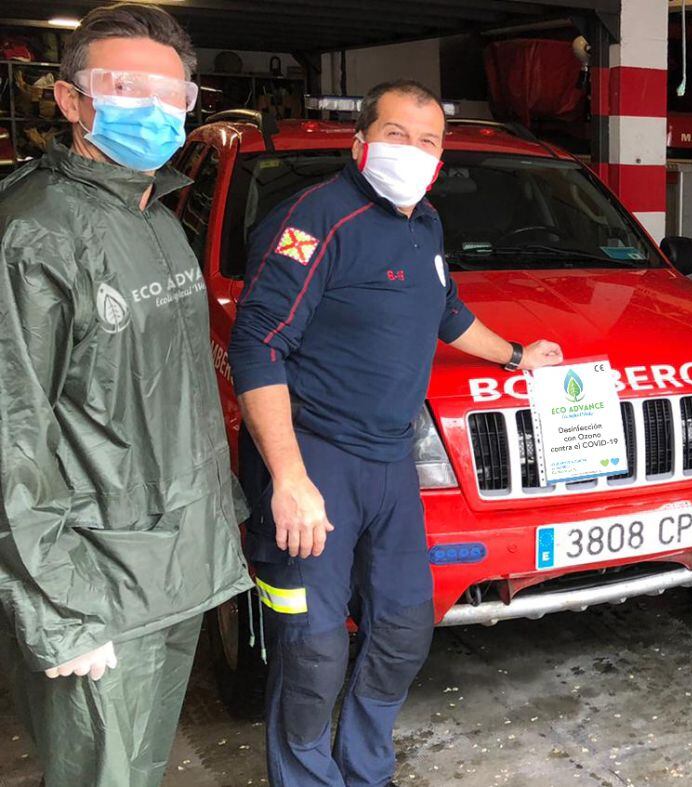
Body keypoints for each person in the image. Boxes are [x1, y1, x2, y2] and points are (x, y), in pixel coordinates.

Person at [229, 79, 564, 787]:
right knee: (314, 646)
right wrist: (288, 479)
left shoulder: (426, 222)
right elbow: (257, 344)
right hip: (316, 458)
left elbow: (446, 313)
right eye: (395, 134)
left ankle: (364, 762)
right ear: (360, 143)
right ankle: (307, 775)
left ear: (442, 158)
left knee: (406, 626)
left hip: (390, 460)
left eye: (428, 140)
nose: (411, 152)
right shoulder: (317, 219)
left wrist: (515, 354)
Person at [0, 4, 252, 786]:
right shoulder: (34, 233)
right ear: (71, 99)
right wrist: (60, 612)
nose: (150, 108)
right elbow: (11, 436)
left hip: (172, 569)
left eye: (168, 94)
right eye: (123, 87)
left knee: (136, 769)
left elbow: (172, 403)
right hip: (94, 586)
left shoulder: (158, 219)